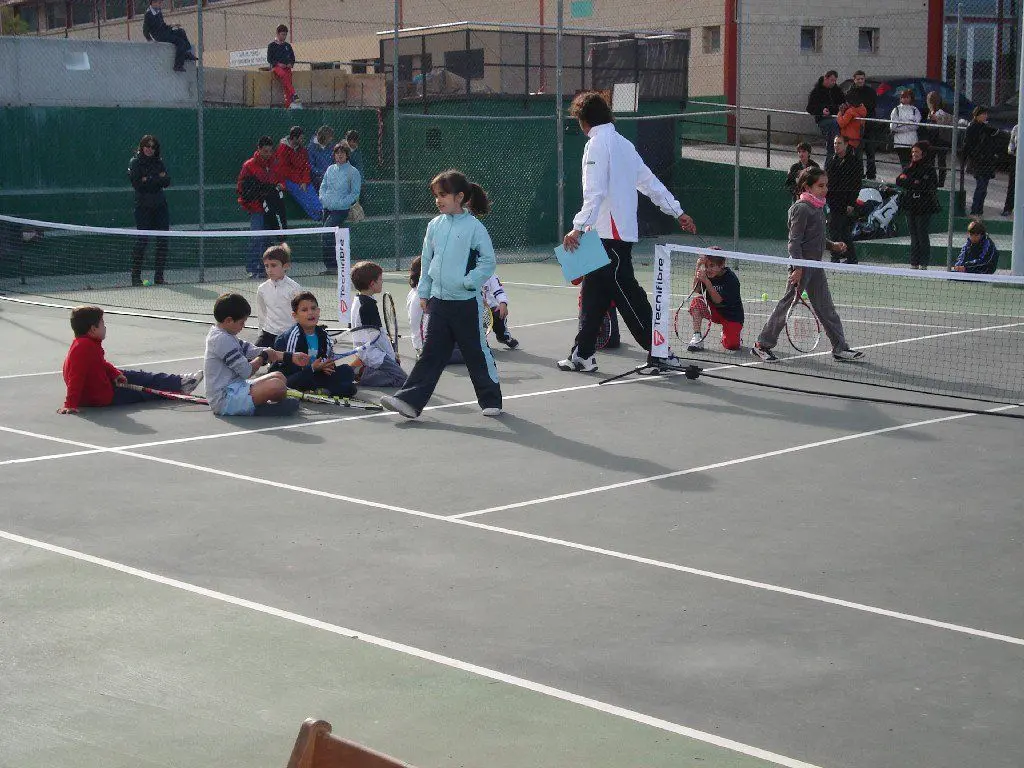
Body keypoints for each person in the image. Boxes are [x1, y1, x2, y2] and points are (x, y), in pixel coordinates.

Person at [558, 91, 695, 373]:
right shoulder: (624, 144)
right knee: (593, 296)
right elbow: (650, 183)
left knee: (629, 297)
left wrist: (577, 229)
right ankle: (582, 354)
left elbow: (593, 193)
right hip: (606, 236)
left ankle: (660, 352)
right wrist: (678, 211)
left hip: (610, 238)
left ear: (584, 121)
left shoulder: (596, 145)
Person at [381, 170, 500, 419]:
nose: (438, 200)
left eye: (443, 195)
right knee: (431, 354)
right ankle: (410, 402)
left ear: (460, 197)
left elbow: (487, 262)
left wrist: (468, 282)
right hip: (439, 303)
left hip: (467, 304)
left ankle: (491, 400)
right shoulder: (434, 225)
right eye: (436, 195)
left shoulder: (474, 227)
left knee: (476, 352)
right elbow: (427, 261)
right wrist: (424, 292)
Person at [752, 167, 864, 362]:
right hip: (801, 267)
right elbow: (794, 241)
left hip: (815, 267)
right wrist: (797, 268)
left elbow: (815, 238)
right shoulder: (801, 208)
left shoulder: (818, 207)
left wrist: (832, 245)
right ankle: (762, 345)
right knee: (787, 305)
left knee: (826, 307)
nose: (825, 189)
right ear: (807, 187)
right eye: (820, 186)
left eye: (826, 185)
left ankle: (840, 348)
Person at [58, 306, 202, 414]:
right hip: (101, 396)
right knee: (143, 394)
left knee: (138, 376)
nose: (105, 326)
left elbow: (100, 364)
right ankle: (178, 391)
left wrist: (115, 373)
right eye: (102, 323)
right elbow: (76, 377)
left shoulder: (87, 343)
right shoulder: (83, 347)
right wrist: (70, 404)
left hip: (103, 384)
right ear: (92, 329)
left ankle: (181, 382)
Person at [204, 293, 304, 417]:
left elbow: (252, 350)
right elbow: (246, 371)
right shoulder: (220, 339)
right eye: (242, 322)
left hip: (237, 388)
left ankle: (265, 405)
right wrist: (263, 357)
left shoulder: (226, 335)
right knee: (277, 386)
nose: (244, 326)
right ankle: (262, 409)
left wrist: (290, 356)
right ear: (229, 320)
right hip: (225, 400)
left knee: (279, 376)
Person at [271, 291, 358, 397]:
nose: (310, 313)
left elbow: (326, 360)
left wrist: (327, 366)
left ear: (319, 311)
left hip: (315, 374)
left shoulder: (323, 335)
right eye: (304, 310)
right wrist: (312, 368)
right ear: (295, 316)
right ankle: (316, 390)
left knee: (347, 371)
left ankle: (317, 391)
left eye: (313, 308)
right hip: (292, 376)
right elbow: (290, 369)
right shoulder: (292, 336)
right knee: (296, 381)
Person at [349, 260, 408, 388]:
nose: (382, 282)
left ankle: (360, 368)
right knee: (402, 380)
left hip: (363, 350)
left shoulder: (359, 300)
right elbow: (376, 338)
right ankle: (363, 374)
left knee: (395, 369)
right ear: (372, 283)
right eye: (380, 279)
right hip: (373, 353)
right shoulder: (368, 306)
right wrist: (391, 355)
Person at [236, 135, 286, 279]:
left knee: (269, 239)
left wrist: (279, 186)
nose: (268, 154)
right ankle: (254, 268)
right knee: (257, 237)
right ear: (258, 149)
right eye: (265, 151)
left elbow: (281, 181)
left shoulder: (275, 163)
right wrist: (253, 200)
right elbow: (241, 187)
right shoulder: (249, 166)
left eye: (270, 151)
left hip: (271, 208)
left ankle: (269, 269)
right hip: (256, 209)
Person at [128, 134, 170, 287]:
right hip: (143, 207)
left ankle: (159, 277)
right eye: (147, 146)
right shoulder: (135, 162)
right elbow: (137, 183)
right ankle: (135, 277)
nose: (150, 149)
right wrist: (155, 179)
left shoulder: (159, 162)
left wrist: (149, 179)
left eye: (153, 147)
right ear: (142, 147)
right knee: (142, 241)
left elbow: (166, 181)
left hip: (160, 206)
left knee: (163, 241)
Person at [407, 255, 464, 364]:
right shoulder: (423, 295)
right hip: (429, 347)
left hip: (428, 343)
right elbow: (420, 324)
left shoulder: (417, 291)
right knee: (474, 351)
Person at [895, 141, 940, 270]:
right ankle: (914, 262)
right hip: (911, 205)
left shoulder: (929, 169)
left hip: (924, 206)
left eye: (917, 152)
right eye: (913, 152)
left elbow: (928, 185)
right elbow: (899, 180)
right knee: (913, 234)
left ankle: (924, 262)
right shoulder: (909, 167)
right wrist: (913, 182)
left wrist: (914, 183)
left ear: (923, 153)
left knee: (922, 233)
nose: (914, 154)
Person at [685, 253, 743, 352]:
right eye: (706, 266)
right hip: (713, 311)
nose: (708, 269)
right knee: (697, 301)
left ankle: (728, 334)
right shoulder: (706, 274)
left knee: (732, 346)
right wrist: (698, 267)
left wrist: (707, 281)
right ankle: (697, 337)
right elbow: (696, 289)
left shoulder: (731, 279)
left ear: (722, 265)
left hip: (731, 315)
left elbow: (718, 300)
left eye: (712, 266)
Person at [318, 142, 361, 273]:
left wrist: (342, 203)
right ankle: (331, 267)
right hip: (327, 208)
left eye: (342, 153)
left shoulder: (353, 172)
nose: (339, 155)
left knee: (327, 233)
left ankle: (333, 267)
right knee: (326, 235)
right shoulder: (330, 169)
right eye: (337, 153)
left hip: (341, 210)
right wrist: (323, 198)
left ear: (347, 155)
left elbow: (355, 193)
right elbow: (323, 186)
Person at [824, 135, 862, 264]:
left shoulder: (854, 162)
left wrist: (851, 203)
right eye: (835, 143)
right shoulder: (830, 161)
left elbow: (856, 184)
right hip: (832, 201)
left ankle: (848, 257)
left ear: (846, 145)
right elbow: (826, 181)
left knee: (843, 230)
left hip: (846, 202)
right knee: (834, 229)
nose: (836, 146)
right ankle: (841, 257)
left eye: (839, 143)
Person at [255, 244, 302, 347]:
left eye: (273, 265)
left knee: (280, 362)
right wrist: (260, 334)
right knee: (251, 360)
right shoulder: (262, 289)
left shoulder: (294, 288)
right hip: (268, 333)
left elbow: (301, 314)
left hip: (288, 335)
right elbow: (262, 313)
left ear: (286, 266)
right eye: (266, 266)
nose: (269, 270)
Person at [961, 106, 1002, 217]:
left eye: (986, 114)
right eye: (983, 114)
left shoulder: (985, 127)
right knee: (981, 185)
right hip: (977, 161)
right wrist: (975, 155)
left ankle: (979, 210)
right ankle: (975, 210)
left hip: (987, 161)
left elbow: (992, 140)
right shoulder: (972, 127)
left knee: (984, 187)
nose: (985, 116)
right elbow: (968, 145)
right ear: (977, 115)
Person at [276, 126, 322, 220]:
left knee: (311, 190)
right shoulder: (283, 149)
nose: (302, 140)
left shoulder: (302, 150)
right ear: (294, 138)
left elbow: (306, 166)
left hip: (302, 179)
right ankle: (317, 216)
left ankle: (321, 212)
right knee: (301, 193)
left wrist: (304, 180)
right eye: (300, 138)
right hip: (288, 179)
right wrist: (299, 181)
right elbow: (284, 170)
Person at [142, 0, 196, 72]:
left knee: (181, 31)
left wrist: (172, 25)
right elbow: (145, 30)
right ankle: (178, 65)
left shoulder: (158, 11)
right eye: (159, 3)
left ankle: (187, 53)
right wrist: (149, 40)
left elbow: (163, 25)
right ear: (153, 3)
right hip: (160, 36)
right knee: (180, 42)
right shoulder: (148, 14)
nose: (160, 5)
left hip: (165, 31)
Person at [847, 71, 879, 179]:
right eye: (858, 79)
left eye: (862, 79)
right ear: (854, 79)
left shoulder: (870, 91)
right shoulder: (850, 92)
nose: (860, 81)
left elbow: (872, 105)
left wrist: (860, 108)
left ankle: (871, 174)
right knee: (857, 152)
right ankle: (858, 174)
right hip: (856, 127)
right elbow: (851, 108)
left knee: (870, 151)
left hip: (869, 125)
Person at [806, 70, 844, 161]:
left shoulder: (836, 90)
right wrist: (821, 110)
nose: (833, 83)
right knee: (834, 127)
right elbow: (810, 108)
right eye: (832, 80)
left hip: (837, 117)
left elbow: (842, 101)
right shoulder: (816, 91)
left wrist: (842, 107)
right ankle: (837, 146)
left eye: (835, 81)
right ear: (825, 78)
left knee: (836, 129)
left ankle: (837, 149)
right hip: (824, 119)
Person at [924, 91, 953, 187]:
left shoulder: (943, 111)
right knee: (931, 161)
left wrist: (936, 119)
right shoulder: (930, 112)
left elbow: (947, 122)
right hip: (932, 139)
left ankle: (941, 183)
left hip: (941, 139)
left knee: (941, 162)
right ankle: (933, 180)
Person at [482, 275, 519, 349]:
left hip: (488, 308)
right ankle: (480, 340)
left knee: (498, 312)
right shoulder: (464, 273)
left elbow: (498, 291)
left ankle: (503, 337)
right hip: (471, 307)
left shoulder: (490, 275)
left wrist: (503, 303)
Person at [267, 24, 299, 108]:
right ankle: (294, 93)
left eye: (285, 34)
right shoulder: (271, 46)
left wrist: (290, 64)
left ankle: (288, 106)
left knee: (286, 84)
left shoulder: (287, 46)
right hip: (276, 68)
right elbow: (269, 59)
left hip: (286, 68)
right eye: (282, 34)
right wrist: (278, 64)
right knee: (283, 75)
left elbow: (292, 58)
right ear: (277, 34)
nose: (284, 36)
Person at [889, 89, 922, 169]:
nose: (905, 99)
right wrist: (908, 124)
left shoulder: (915, 110)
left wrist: (902, 124)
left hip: (912, 141)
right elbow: (893, 127)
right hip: (900, 142)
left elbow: (916, 125)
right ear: (900, 98)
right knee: (904, 164)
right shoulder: (896, 110)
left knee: (913, 164)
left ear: (911, 98)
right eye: (903, 97)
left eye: (907, 97)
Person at [307, 125, 334, 190]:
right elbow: (311, 166)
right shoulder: (311, 148)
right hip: (317, 177)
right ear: (323, 138)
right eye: (329, 138)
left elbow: (335, 161)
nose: (331, 140)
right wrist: (322, 173)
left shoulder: (331, 146)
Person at [1001, 124, 1017, 217]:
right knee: (1012, 186)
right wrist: (1012, 150)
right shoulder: (1016, 128)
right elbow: (1011, 144)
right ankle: (1008, 208)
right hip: (1016, 160)